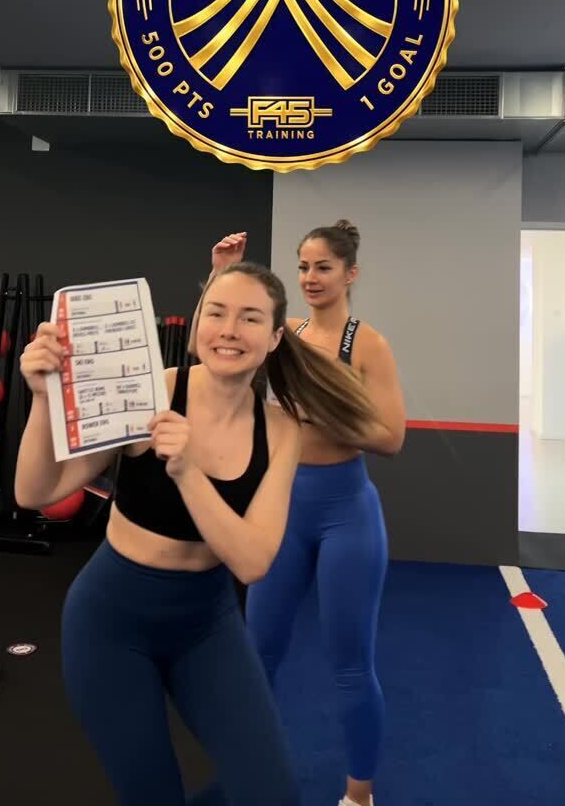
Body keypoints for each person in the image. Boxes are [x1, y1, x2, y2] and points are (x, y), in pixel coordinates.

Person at [15, 261, 380, 806]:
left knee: (273, 795)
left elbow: (253, 561)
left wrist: (187, 470)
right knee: (153, 795)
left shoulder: (281, 431)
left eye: (250, 318)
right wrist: (44, 399)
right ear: (197, 325)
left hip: (206, 624)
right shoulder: (153, 393)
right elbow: (36, 491)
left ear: (274, 337)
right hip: (110, 622)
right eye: (217, 313)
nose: (229, 329)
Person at [192, 227, 405, 806]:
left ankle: (359, 795)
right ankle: (245, 774)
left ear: (350, 274)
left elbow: (391, 437)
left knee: (351, 664)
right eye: (304, 266)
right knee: (257, 653)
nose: (310, 278)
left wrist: (324, 411)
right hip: (283, 505)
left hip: (347, 514)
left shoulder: (368, 346)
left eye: (324, 267)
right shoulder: (283, 335)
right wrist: (219, 276)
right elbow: (209, 344)